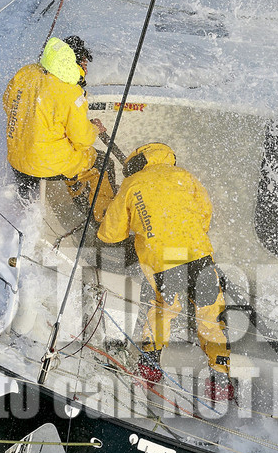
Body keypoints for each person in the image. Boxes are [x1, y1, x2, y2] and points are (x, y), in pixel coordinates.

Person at [97, 142, 234, 402]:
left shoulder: (132, 184)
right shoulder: (184, 176)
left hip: (161, 259)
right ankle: (220, 378)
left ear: (138, 161)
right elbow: (205, 213)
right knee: (210, 312)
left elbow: (111, 233)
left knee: (162, 308)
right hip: (197, 252)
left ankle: (149, 366)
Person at [1, 35, 109, 202]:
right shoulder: (70, 92)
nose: (86, 70)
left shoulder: (26, 73)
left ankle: (25, 198)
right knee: (101, 160)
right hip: (45, 165)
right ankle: (98, 211)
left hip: (17, 160)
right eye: (84, 63)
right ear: (73, 62)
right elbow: (83, 140)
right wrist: (95, 128)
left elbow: (8, 104)